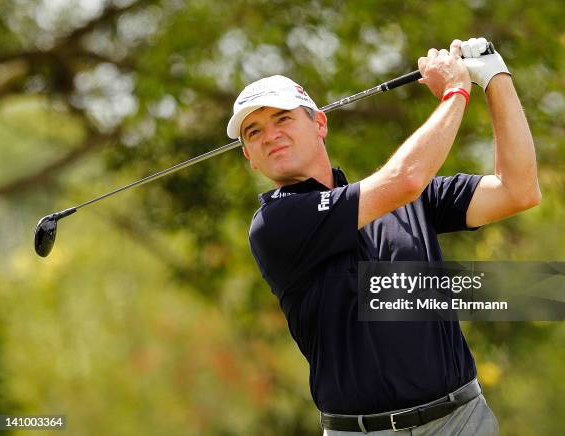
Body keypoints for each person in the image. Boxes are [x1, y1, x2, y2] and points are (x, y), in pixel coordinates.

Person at [226, 37, 541, 435]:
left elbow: (519, 189)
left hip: (461, 421)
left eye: (283, 118)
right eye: (253, 132)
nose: (269, 135)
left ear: (319, 123)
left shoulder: (407, 199)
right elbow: (405, 178)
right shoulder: (275, 223)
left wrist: (495, 77)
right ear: (249, 157)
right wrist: (457, 91)